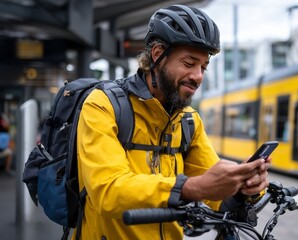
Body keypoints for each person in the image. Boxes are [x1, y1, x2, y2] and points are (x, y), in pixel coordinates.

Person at [75, 4, 270, 240]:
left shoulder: (189, 121)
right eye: (189, 63)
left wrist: (243, 187)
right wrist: (192, 187)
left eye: (203, 67)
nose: (198, 76)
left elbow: (219, 199)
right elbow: (107, 191)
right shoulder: (103, 105)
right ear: (158, 54)